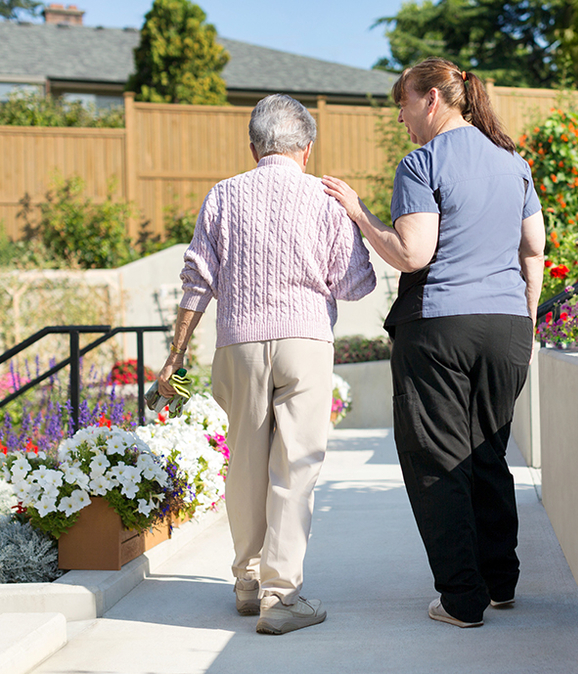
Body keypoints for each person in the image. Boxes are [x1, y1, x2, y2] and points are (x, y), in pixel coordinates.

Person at [322, 57, 546, 628]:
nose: (400, 117)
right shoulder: (513, 163)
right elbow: (533, 251)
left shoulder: (422, 162)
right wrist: (525, 319)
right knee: (487, 453)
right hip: (507, 328)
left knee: (440, 462)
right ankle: (500, 583)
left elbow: (413, 254)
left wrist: (359, 214)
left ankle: (461, 598)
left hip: (440, 327)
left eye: (401, 103)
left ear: (430, 100)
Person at [157, 93, 376, 635]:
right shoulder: (325, 199)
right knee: (295, 467)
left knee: (247, 466)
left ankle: (247, 582)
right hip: (304, 341)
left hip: (237, 343)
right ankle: (281, 598)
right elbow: (355, 283)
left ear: (254, 146)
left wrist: (175, 357)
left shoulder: (223, 195)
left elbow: (197, 279)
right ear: (306, 149)